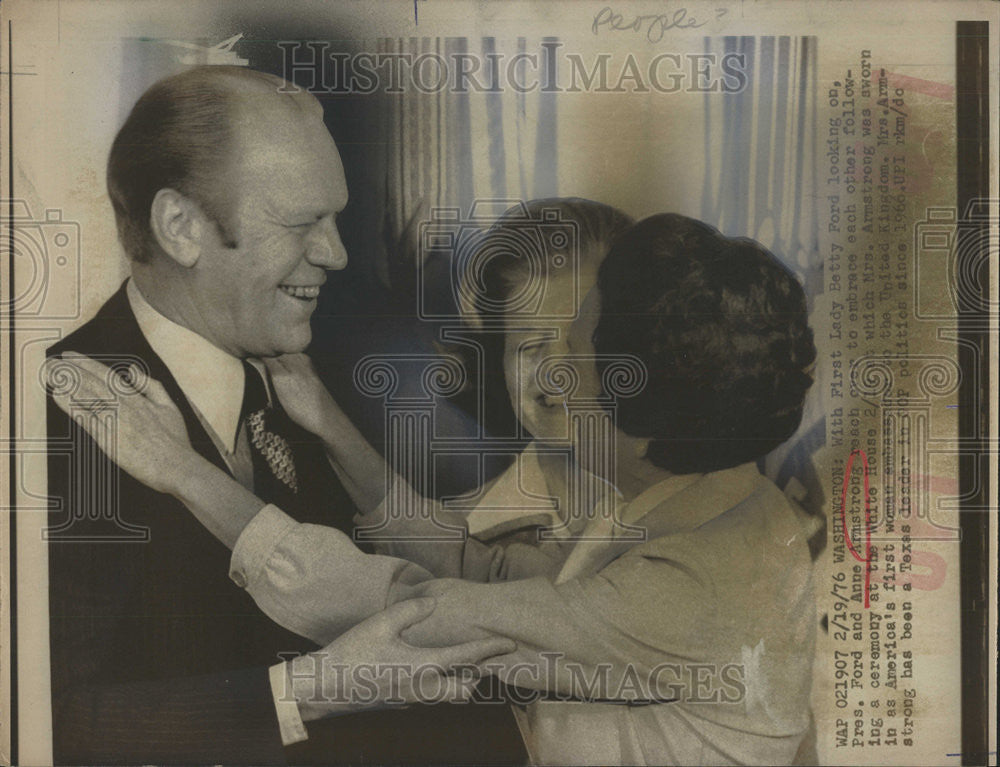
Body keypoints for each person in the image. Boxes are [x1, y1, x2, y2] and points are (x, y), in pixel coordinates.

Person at [54, 212, 821, 764]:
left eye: (573, 352)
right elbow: (490, 573)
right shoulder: (711, 493)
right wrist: (332, 426)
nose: (548, 377)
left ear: (633, 402)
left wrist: (183, 470)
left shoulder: (689, 583)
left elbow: (423, 613)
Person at [44, 64, 522, 765]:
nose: (336, 253)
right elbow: (42, 721)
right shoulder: (57, 414)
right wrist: (304, 692)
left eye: (336, 218)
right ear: (181, 227)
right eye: (303, 222)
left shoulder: (294, 377)